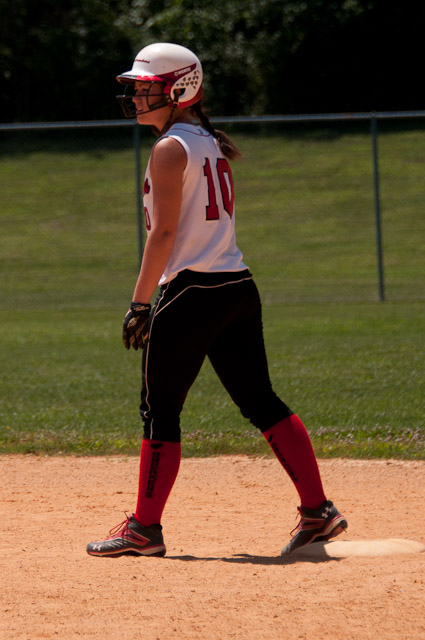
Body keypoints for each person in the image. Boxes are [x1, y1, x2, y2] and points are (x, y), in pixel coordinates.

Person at [86, 42, 347, 558]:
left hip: (191, 292)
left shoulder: (169, 147)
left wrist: (139, 304)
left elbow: (163, 235)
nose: (137, 97)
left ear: (180, 90)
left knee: (160, 410)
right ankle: (318, 510)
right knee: (261, 402)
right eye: (136, 89)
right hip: (236, 287)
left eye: (148, 89)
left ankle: (144, 528)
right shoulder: (208, 140)